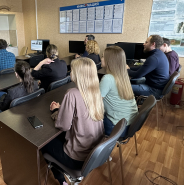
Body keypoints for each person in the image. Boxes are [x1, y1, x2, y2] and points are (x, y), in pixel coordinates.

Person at [42, 57, 104, 185]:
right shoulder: (96, 91)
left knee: (42, 144)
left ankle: (62, 180)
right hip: (93, 153)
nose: (70, 73)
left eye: (72, 71)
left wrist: (55, 112)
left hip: (76, 157)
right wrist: (63, 108)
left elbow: (63, 126)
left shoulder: (72, 93)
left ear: (77, 74)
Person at [100, 46, 138, 137]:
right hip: (130, 124)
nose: (101, 59)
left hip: (116, 127)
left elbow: (95, 103)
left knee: (85, 120)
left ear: (109, 60)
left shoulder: (108, 78)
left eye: (102, 56)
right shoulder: (123, 75)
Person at [127, 35, 169, 99]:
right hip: (154, 85)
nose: (144, 44)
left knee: (121, 87)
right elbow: (142, 68)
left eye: (146, 42)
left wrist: (126, 70)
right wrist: (129, 68)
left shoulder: (154, 58)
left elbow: (138, 75)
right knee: (130, 81)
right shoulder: (159, 54)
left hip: (154, 90)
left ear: (153, 44)